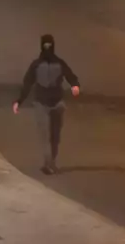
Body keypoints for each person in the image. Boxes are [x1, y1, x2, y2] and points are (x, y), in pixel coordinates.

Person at [12, 34, 80, 175]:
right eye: (45, 45)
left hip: (57, 103)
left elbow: (70, 75)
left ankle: (51, 162)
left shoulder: (60, 63)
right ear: (42, 46)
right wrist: (19, 101)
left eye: (50, 45)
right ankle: (48, 162)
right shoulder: (36, 65)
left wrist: (75, 85)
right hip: (41, 103)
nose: (47, 48)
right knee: (45, 134)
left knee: (55, 135)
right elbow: (27, 83)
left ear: (53, 46)